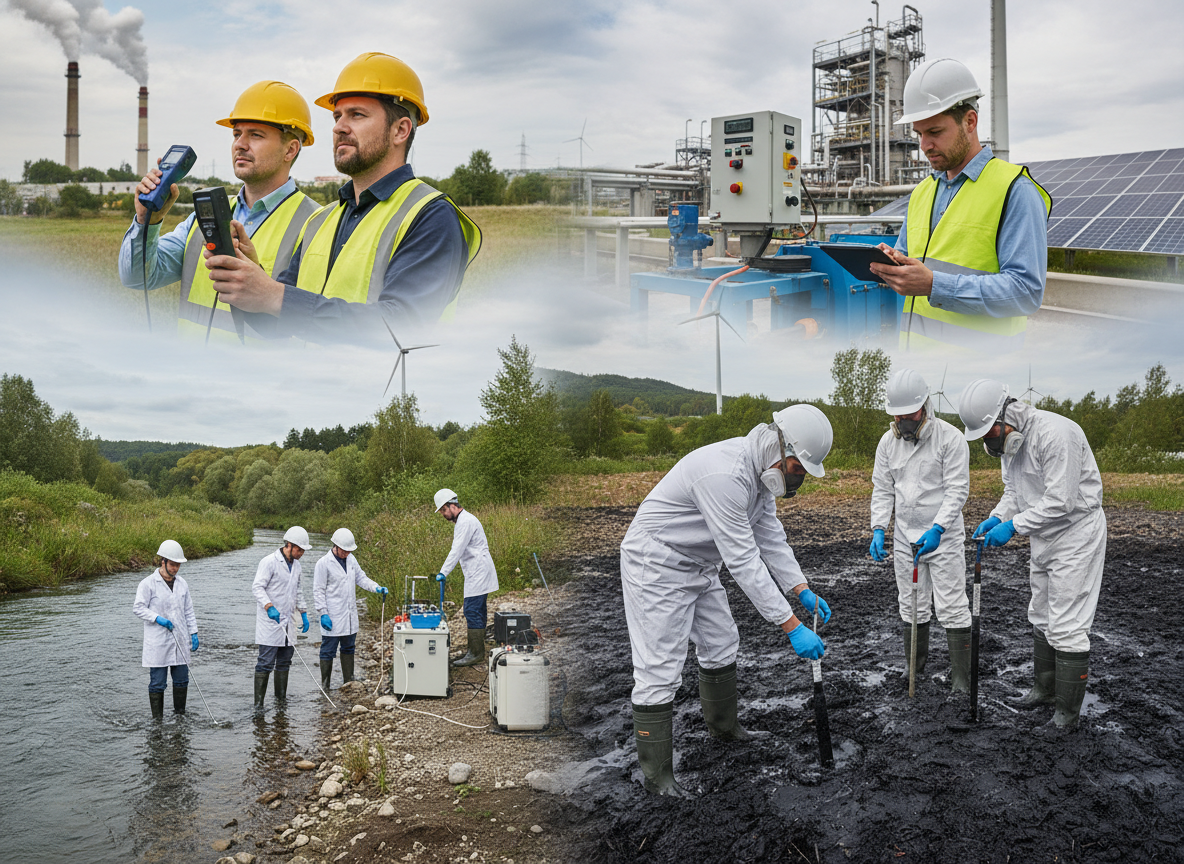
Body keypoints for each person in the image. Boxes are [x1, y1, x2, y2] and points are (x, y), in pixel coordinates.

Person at [620, 405, 835, 797]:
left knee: (721, 642)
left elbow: (769, 535)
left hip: (698, 564)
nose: (798, 478)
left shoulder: (757, 475)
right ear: (780, 449)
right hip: (657, 563)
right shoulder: (725, 474)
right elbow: (744, 561)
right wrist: (791, 626)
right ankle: (658, 778)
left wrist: (800, 589)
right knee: (659, 668)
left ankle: (725, 729)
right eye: (797, 469)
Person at [204, 52, 483, 343]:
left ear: (400, 130)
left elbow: (401, 328)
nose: (338, 127)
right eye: (337, 116)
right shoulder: (320, 221)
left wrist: (276, 296)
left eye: (357, 115)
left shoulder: (431, 216)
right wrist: (251, 280)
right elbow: (278, 323)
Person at [868, 58, 1052, 353]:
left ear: (969, 121)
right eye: (919, 134)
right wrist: (892, 265)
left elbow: (1026, 293)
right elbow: (911, 264)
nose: (925, 145)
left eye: (935, 132)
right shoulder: (922, 193)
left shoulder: (1015, 190)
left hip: (981, 381)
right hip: (918, 370)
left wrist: (934, 286)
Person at [118, 81, 320, 343]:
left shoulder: (316, 224)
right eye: (237, 134)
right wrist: (148, 221)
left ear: (290, 149)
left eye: (256, 135)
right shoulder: (204, 214)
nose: (240, 145)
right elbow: (137, 278)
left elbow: (314, 323)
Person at [958, 379, 1106, 728]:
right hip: (1042, 535)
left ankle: (1065, 718)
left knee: (1067, 622)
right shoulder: (1010, 445)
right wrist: (997, 516)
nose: (989, 442)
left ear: (1008, 414)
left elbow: (1061, 502)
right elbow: (1013, 490)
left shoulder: (1056, 434)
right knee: (1041, 612)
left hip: (1076, 534)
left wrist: (1013, 527)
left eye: (991, 433)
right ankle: (1044, 690)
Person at [870, 369, 971, 691]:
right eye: (897, 415)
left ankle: (960, 680)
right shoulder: (888, 443)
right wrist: (878, 528)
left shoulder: (951, 439)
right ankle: (915, 667)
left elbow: (957, 489)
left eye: (909, 414)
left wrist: (939, 527)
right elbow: (883, 489)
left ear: (925, 406)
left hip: (943, 537)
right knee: (911, 603)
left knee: (952, 605)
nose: (904, 421)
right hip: (904, 538)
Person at [314, 527, 389, 691]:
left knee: (348, 647)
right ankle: (325, 685)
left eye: (349, 550)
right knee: (328, 651)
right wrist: (323, 613)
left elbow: (361, 578)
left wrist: (376, 587)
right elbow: (318, 590)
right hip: (332, 615)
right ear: (336, 546)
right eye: (344, 550)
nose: (347, 553)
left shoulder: (351, 559)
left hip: (349, 614)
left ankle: (348, 680)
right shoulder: (323, 563)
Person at [132, 540, 199, 719]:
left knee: (182, 680)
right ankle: (157, 722)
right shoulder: (148, 584)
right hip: (158, 641)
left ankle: (180, 717)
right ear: (163, 562)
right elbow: (138, 608)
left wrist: (193, 632)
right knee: (157, 684)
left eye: (178, 565)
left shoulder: (182, 584)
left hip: (180, 639)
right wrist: (157, 618)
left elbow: (188, 610)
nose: (176, 568)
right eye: (173, 564)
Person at [432, 489, 498, 668]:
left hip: (478, 572)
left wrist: (443, 572)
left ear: (452, 506)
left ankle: (475, 653)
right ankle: (477, 650)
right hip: (477, 571)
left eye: (444, 511)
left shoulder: (465, 522)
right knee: (477, 609)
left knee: (471, 610)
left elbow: (457, 550)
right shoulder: (463, 521)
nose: (444, 515)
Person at [252, 526, 311, 710]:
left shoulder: (297, 566)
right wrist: (269, 606)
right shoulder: (269, 562)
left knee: (285, 661)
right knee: (265, 663)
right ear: (289, 545)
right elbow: (257, 587)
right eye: (299, 549)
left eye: (302, 550)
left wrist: (304, 612)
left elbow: (298, 591)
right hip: (270, 623)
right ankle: (259, 705)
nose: (301, 553)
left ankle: (280, 701)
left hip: (289, 621)